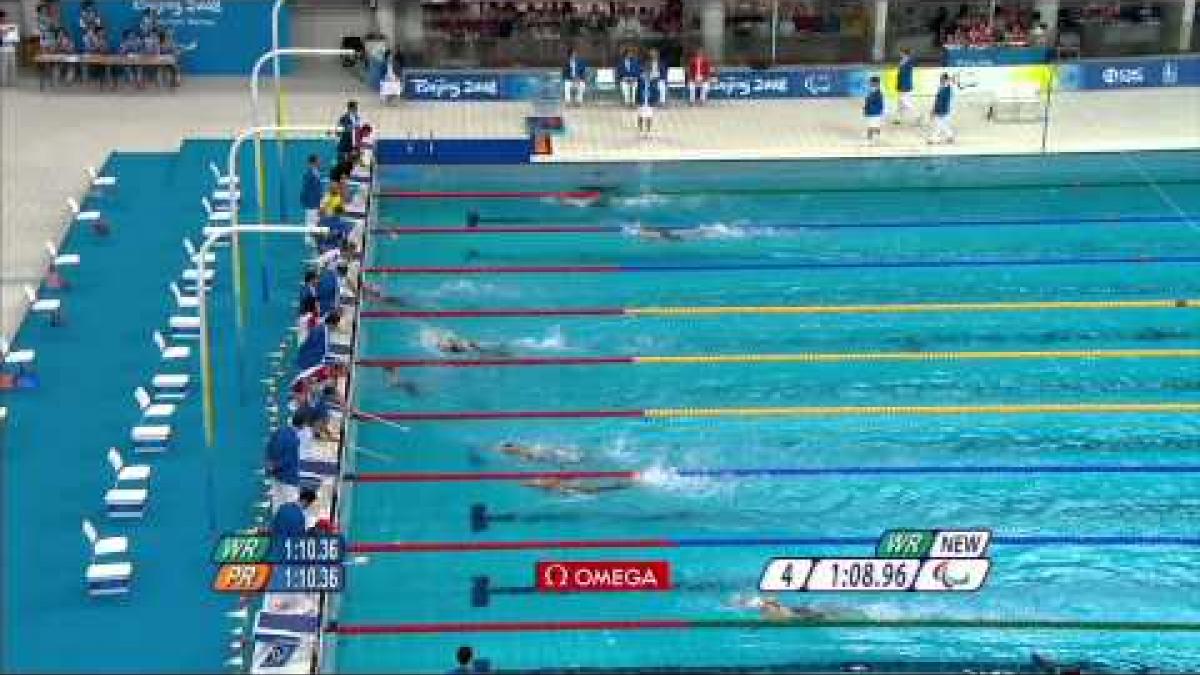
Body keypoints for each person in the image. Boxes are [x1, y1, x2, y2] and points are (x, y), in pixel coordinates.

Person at [265, 411, 307, 506]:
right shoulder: (294, 440)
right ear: (303, 425)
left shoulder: (279, 431)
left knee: (277, 503)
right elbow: (287, 461)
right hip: (288, 479)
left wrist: (270, 464)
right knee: (291, 506)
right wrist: (274, 466)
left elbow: (269, 446)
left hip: (276, 476)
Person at [522, 477, 635, 495]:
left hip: (581, 488)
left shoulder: (547, 484)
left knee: (603, 488)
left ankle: (625, 484)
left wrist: (566, 492)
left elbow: (562, 489)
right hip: (578, 485)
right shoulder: (546, 482)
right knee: (605, 487)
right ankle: (624, 484)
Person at [496, 441, 583, 464]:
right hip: (542, 450)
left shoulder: (521, 452)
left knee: (575, 459)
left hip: (540, 452)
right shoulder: (521, 447)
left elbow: (530, 455)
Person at [928, 72, 955, 144]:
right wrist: (934, 109)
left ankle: (934, 138)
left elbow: (943, 101)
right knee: (941, 124)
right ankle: (949, 136)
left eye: (942, 79)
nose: (940, 80)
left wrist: (936, 110)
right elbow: (938, 100)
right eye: (941, 79)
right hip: (942, 109)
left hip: (943, 110)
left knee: (938, 124)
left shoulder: (946, 89)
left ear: (945, 79)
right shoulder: (943, 87)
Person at [893, 48, 915, 124]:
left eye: (901, 52)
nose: (900, 54)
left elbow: (906, 72)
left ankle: (917, 115)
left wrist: (902, 65)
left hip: (906, 85)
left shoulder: (910, 61)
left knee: (904, 101)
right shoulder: (902, 61)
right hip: (901, 84)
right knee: (899, 103)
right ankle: (898, 118)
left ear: (904, 53)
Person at [301, 155, 323, 228]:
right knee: (310, 225)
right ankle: (308, 239)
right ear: (314, 162)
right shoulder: (308, 174)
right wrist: (306, 202)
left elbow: (318, 189)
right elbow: (305, 190)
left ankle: (313, 239)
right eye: (318, 160)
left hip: (317, 204)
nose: (320, 162)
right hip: (311, 204)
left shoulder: (317, 173)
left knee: (316, 224)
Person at [863, 75, 884, 144]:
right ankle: (876, 137)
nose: (870, 83)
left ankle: (870, 140)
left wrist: (868, 109)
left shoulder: (878, 92)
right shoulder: (872, 91)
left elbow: (872, 101)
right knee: (873, 126)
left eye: (871, 82)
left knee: (871, 127)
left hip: (874, 113)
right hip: (873, 112)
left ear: (875, 83)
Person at [0, 12, 19, 88]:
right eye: (3, 17)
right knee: (3, 66)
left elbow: (15, 38)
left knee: (12, 65)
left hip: (11, 47)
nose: (4, 19)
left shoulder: (9, 25)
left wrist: (14, 36)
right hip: (2, 48)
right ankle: (3, 82)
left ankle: (12, 82)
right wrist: (2, 34)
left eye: (5, 17)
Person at [635, 70, 655, 135]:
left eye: (648, 76)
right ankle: (640, 130)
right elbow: (637, 93)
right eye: (644, 75)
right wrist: (637, 102)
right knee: (640, 117)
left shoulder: (652, 84)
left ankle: (648, 131)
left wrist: (653, 102)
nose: (646, 77)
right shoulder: (640, 83)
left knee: (649, 117)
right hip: (641, 102)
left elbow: (655, 93)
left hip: (649, 103)